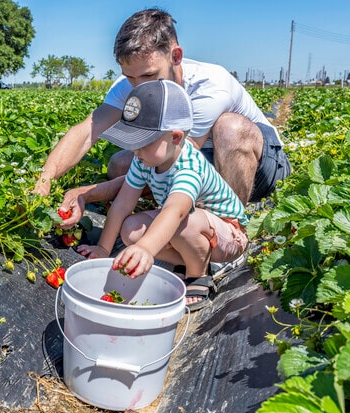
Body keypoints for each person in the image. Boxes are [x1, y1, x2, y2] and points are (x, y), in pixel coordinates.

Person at [34, 8, 290, 224]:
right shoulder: (131, 84)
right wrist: (43, 181)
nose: (138, 87)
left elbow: (173, 165)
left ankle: (231, 228)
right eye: (130, 76)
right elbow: (88, 129)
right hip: (204, 161)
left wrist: (88, 193)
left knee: (229, 128)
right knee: (119, 164)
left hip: (259, 165)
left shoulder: (209, 86)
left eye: (148, 75)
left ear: (175, 56)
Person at [76, 79, 249, 311]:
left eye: (143, 143)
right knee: (131, 229)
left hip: (229, 235)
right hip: (191, 227)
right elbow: (122, 205)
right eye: (132, 142)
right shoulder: (143, 160)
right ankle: (192, 259)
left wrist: (147, 248)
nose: (135, 151)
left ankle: (198, 275)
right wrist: (104, 249)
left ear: (175, 137)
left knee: (183, 223)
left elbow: (175, 211)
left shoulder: (189, 166)